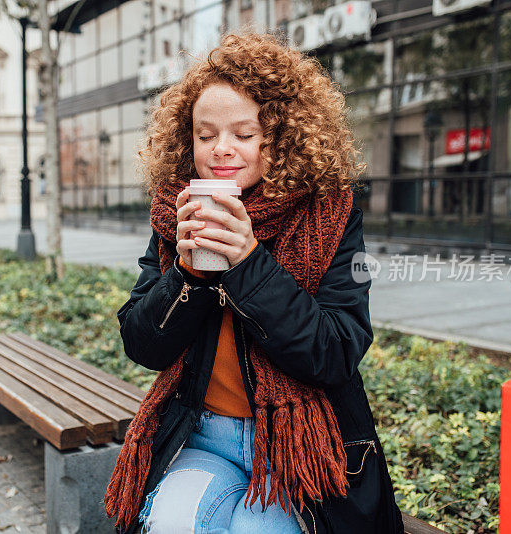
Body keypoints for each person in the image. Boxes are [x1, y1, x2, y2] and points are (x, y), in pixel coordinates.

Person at [104, 33, 403, 534]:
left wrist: (247, 262)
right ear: (188, 139)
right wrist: (189, 274)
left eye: (243, 134)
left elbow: (336, 349)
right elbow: (142, 343)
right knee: (171, 522)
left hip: (298, 443)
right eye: (205, 135)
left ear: (278, 137)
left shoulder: (329, 213)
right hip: (204, 436)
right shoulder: (173, 213)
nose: (221, 149)